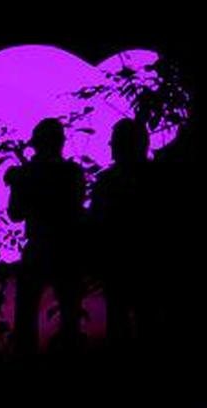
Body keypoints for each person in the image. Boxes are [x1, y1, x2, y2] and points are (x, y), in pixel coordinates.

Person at [5, 118, 86, 355]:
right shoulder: (72, 172)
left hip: (40, 246)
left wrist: (21, 182)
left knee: (27, 313)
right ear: (60, 143)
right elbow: (77, 209)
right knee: (70, 312)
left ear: (39, 145)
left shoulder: (26, 174)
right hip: (68, 247)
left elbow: (15, 214)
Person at [90, 118, 157, 346]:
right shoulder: (158, 177)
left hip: (120, 264)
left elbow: (96, 224)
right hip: (143, 264)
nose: (110, 146)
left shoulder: (106, 182)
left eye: (114, 142)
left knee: (120, 324)